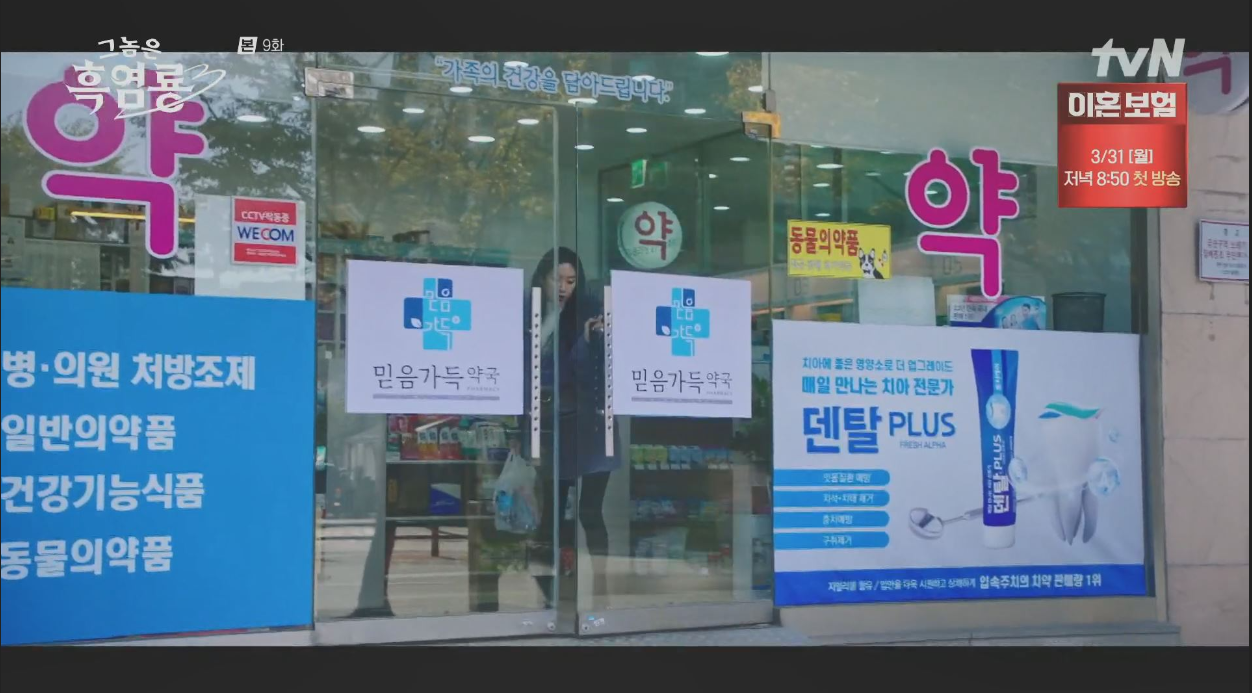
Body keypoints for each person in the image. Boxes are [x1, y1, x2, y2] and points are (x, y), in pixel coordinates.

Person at [524, 247, 619, 608]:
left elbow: (591, 372)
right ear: (542, 278)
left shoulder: (590, 313)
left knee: (590, 511)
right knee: (553, 512)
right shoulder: (531, 313)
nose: (564, 287)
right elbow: (527, 373)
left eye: (571, 280)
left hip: (592, 424)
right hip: (552, 427)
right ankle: (555, 590)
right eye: (557, 279)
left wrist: (588, 340)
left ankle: (601, 589)